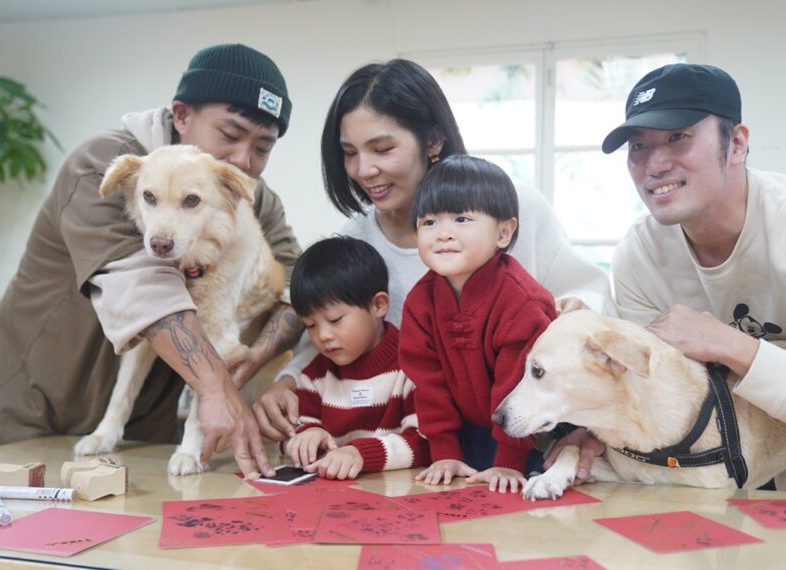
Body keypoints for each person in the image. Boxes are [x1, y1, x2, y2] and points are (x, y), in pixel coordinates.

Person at [253, 59, 614, 454]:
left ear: (433, 141)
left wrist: (579, 312)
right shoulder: (355, 240)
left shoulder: (513, 207)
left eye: (382, 148)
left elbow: (590, 296)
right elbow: (327, 334)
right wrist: (287, 380)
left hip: (533, 445)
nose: (364, 169)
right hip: (415, 451)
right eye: (349, 153)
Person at [0, 44, 305, 478]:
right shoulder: (102, 166)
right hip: (36, 407)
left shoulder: (245, 192)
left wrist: (257, 354)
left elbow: (302, 285)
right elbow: (148, 296)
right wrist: (217, 386)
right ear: (181, 115)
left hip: (143, 430)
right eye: (231, 135)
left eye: (262, 147)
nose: (243, 160)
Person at [604, 63, 786, 452]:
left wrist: (732, 345)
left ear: (738, 144)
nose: (654, 166)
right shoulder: (638, 258)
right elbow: (644, 393)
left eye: (678, 137)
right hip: (721, 458)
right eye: (639, 146)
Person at [398, 155, 557, 493]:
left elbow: (520, 385)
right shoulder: (420, 302)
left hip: (528, 439)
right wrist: (443, 452)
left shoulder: (522, 302)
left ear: (503, 232)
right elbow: (428, 383)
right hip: (463, 435)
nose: (443, 234)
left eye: (460, 219)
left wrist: (509, 461)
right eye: (429, 223)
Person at [283, 235, 430, 480]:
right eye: (310, 325)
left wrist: (360, 454)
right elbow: (291, 436)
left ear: (379, 305)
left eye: (334, 320)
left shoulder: (413, 365)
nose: (323, 335)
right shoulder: (314, 376)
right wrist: (307, 437)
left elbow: (424, 443)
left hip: (399, 496)